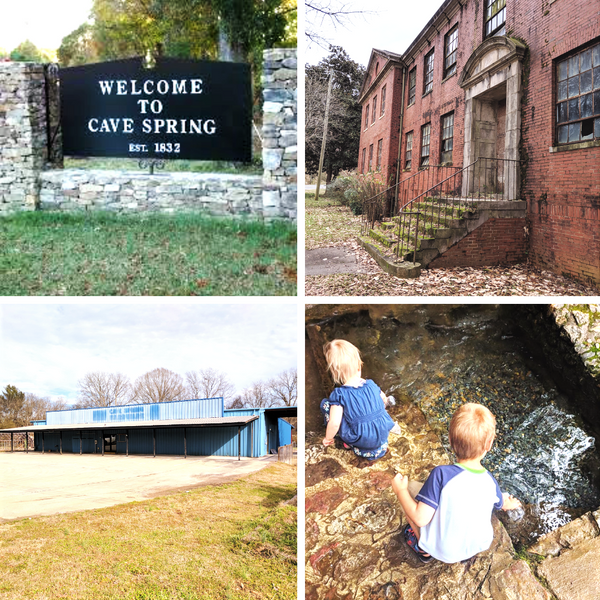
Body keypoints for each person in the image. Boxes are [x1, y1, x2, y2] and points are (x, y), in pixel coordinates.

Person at [391, 402, 521, 563]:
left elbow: (420, 518)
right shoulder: (490, 481)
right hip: (475, 547)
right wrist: (511, 503)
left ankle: (424, 551)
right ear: (489, 445)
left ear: (450, 440)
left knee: (410, 495)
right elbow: (501, 503)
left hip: (442, 550)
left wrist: (400, 491)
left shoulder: (442, 474)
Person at [320, 339, 401, 460]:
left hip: (361, 446)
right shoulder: (371, 384)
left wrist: (328, 438)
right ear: (359, 365)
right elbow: (384, 400)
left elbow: (335, 423)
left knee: (326, 405)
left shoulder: (339, 394)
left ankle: (348, 444)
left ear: (335, 373)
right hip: (382, 442)